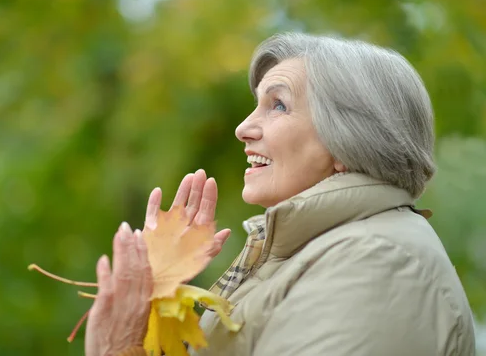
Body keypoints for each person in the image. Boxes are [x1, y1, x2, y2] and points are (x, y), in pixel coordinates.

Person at [83, 33, 477, 356]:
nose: (243, 128)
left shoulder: (378, 261)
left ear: (346, 143)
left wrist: (119, 349)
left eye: (278, 105)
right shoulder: (315, 257)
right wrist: (153, 316)